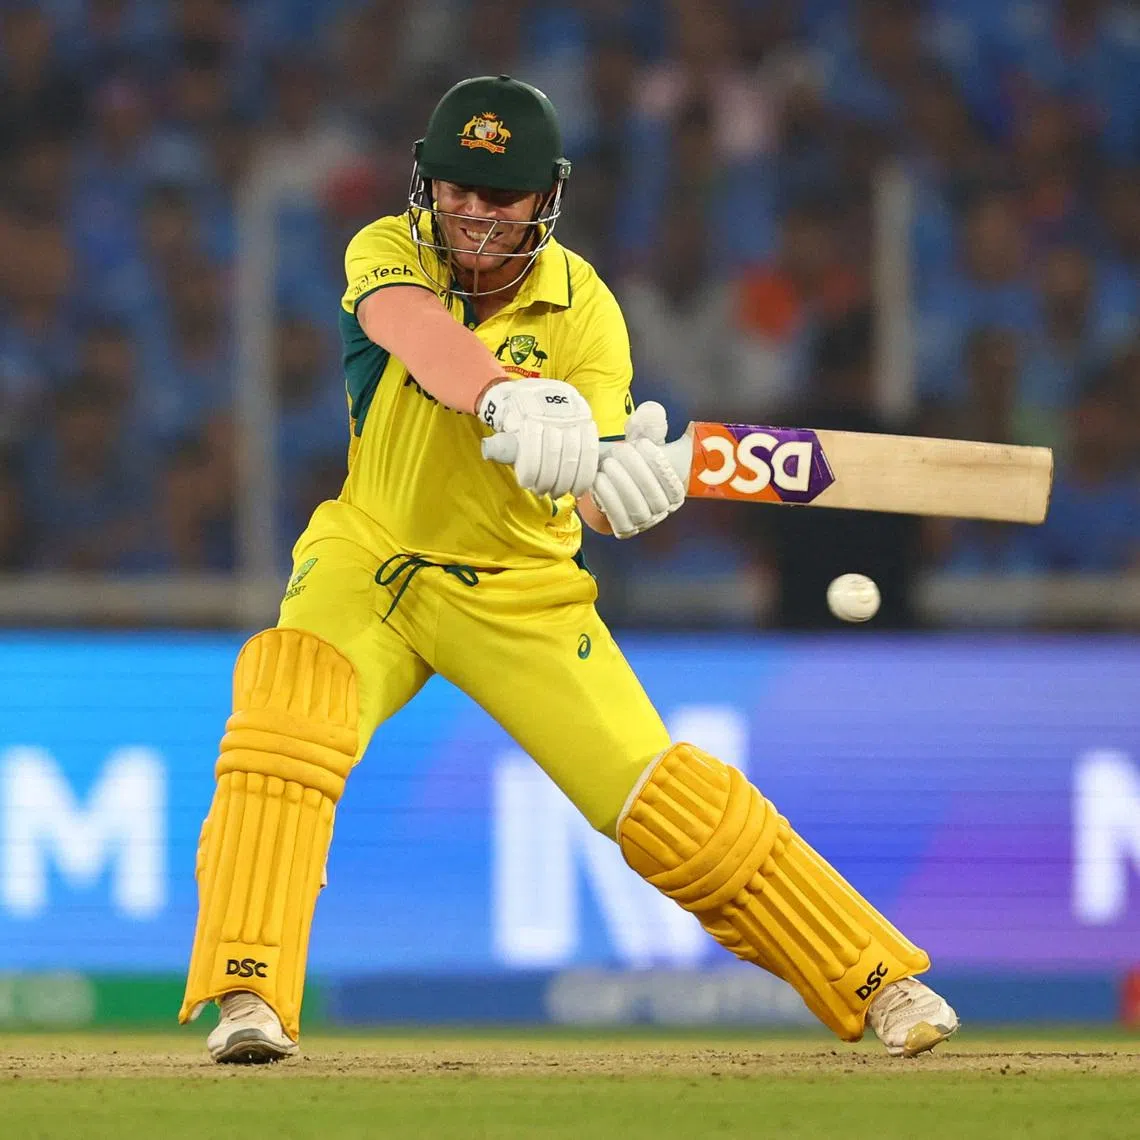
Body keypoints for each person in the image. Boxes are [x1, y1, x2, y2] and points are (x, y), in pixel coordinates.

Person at [180, 75, 958, 1063]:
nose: (471, 213)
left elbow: (589, 489)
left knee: (667, 807)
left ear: (545, 198)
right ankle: (248, 994)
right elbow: (414, 335)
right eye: (455, 187)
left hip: (521, 588)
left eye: (497, 195)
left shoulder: (588, 313)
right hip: (371, 561)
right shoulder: (385, 250)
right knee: (288, 706)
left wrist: (628, 481)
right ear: (426, 184)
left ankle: (880, 980)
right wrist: (503, 396)